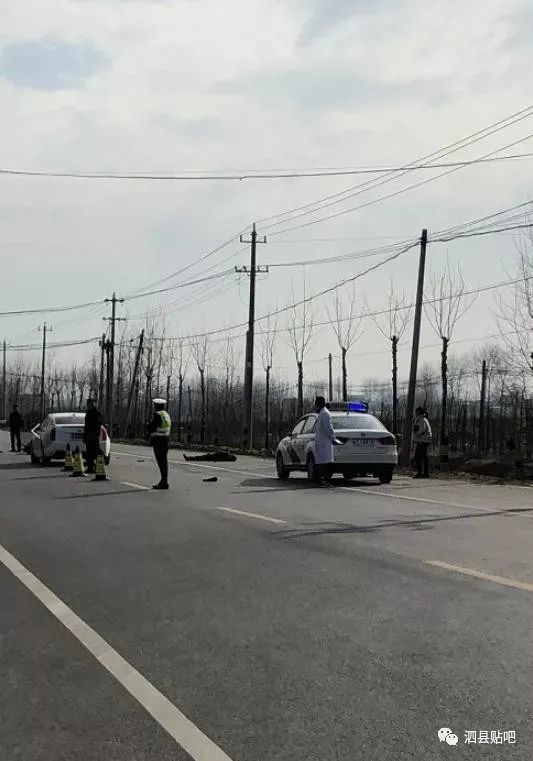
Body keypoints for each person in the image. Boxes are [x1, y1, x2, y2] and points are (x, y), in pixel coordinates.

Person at [314, 396, 341, 486]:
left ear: (320, 404)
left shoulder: (325, 414)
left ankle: (326, 481)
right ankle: (322, 481)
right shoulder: (322, 413)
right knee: (322, 463)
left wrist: (333, 438)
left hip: (325, 443)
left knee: (326, 463)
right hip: (321, 443)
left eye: (316, 403)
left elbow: (328, 428)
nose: (315, 405)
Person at [148, 398, 171, 490]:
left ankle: (163, 482)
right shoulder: (166, 414)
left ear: (156, 406)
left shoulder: (157, 415)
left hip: (158, 441)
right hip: (166, 441)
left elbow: (152, 427)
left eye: (155, 405)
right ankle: (164, 481)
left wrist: (148, 426)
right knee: (164, 462)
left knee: (161, 463)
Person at [83, 398, 103, 475]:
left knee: (96, 453)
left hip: (94, 436)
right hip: (88, 436)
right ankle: (90, 467)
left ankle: (97, 467)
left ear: (93, 404)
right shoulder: (87, 413)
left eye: (90, 404)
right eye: (88, 404)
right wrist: (84, 436)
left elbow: (99, 424)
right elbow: (86, 426)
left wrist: (97, 435)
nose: (88, 406)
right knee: (89, 453)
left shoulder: (96, 413)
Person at [413, 406, 432, 478]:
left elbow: (422, 430)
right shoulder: (421, 419)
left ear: (419, 412)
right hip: (423, 440)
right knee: (423, 457)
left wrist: (416, 435)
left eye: (416, 412)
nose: (415, 413)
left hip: (423, 440)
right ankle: (425, 473)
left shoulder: (422, 420)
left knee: (417, 457)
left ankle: (420, 473)